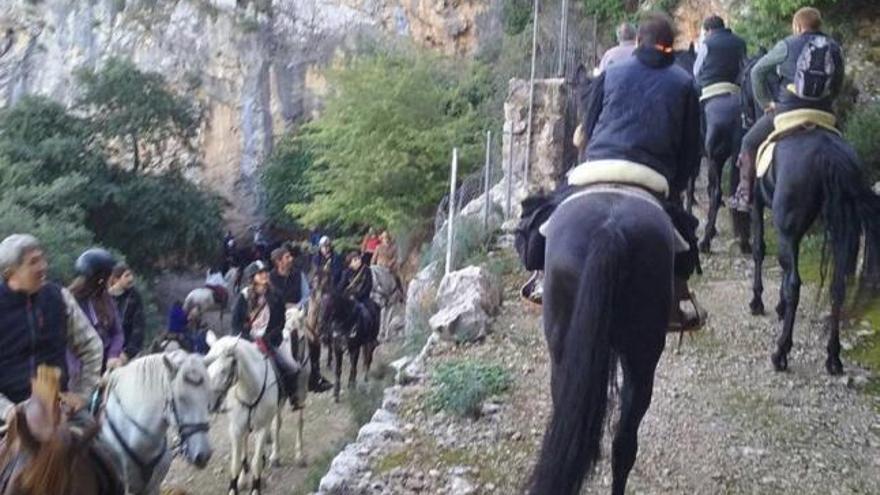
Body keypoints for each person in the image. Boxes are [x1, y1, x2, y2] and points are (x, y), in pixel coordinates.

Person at [577, 12, 704, 329]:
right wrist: (675, 188)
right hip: (652, 174)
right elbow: (692, 151)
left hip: (599, 166)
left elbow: (588, 130)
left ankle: (540, 275)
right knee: (685, 241)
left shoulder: (612, 71)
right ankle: (677, 299)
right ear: (671, 45)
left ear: (636, 42)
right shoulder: (685, 83)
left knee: (549, 214)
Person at [729, 6, 844, 211]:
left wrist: (766, 103)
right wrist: (826, 101)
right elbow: (837, 82)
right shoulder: (834, 47)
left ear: (798, 26)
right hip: (824, 113)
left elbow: (757, 72)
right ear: (819, 26)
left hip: (787, 112)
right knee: (842, 147)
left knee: (748, 142)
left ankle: (745, 194)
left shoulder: (787, 45)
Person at [0, 234, 104, 427]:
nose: (43, 267)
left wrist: (82, 394)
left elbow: (92, 346)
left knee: (106, 452)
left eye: (42, 259)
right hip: (8, 414)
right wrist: (7, 410)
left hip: (59, 409)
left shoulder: (60, 297)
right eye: (33, 262)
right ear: (9, 273)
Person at [231, 260, 302, 409]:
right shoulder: (242, 298)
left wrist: (270, 337)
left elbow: (281, 322)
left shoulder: (276, 295)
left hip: (270, 342)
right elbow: (235, 325)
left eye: (265, 272)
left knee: (292, 367)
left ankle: (292, 397)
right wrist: (248, 339)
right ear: (252, 277)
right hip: (247, 343)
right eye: (260, 273)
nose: (264, 275)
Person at [67, 248, 125, 387]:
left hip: (106, 368)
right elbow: (64, 343)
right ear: (99, 278)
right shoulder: (68, 301)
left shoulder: (107, 300)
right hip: (79, 372)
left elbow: (117, 333)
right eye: (109, 275)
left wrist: (113, 355)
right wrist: (78, 371)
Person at [693, 15, 747, 90]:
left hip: (709, 86)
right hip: (735, 85)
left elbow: (696, 71)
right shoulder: (740, 42)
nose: (705, 36)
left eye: (706, 33)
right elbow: (744, 65)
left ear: (710, 30)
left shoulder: (706, 44)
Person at [338, 251, 379, 339]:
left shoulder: (366, 270)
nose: (358, 261)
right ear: (350, 264)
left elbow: (368, 286)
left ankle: (372, 334)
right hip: (349, 299)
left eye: (358, 259)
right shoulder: (346, 273)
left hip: (363, 298)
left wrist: (358, 296)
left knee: (372, 310)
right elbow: (341, 287)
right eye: (355, 260)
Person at [108, 262, 145, 361]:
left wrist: (128, 353)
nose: (131, 278)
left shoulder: (134, 297)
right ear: (116, 279)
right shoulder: (105, 297)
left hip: (127, 353)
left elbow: (139, 327)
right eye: (127, 276)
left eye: (131, 275)